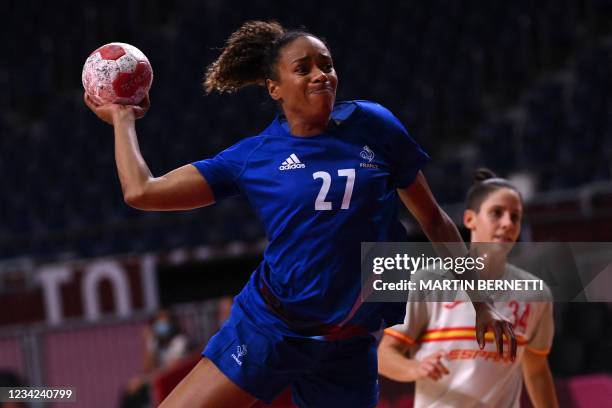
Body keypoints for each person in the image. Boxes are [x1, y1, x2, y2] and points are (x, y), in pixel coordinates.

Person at [84, 20, 515, 408]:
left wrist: (481, 303)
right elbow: (141, 191)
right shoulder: (254, 158)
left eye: (325, 64)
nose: (320, 75)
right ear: (274, 87)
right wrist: (123, 118)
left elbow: (435, 220)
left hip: (347, 347)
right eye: (303, 68)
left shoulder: (375, 126)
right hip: (272, 328)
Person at [378, 169, 558, 408]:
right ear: (469, 219)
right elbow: (384, 356)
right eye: (497, 213)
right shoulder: (428, 281)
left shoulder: (536, 294)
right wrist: (416, 368)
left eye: (515, 217)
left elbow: (536, 371)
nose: (507, 223)